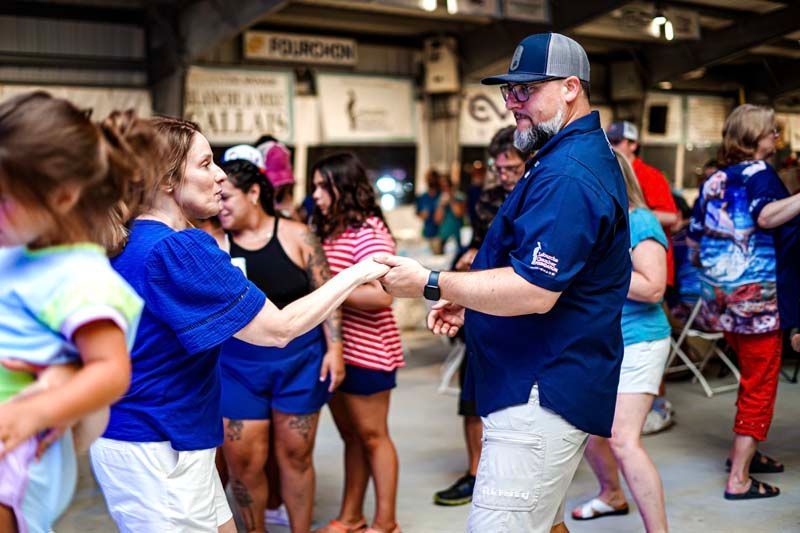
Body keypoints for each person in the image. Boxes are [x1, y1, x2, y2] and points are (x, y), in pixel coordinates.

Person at [376, 33, 631, 533]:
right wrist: (472, 302)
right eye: (508, 91)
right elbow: (538, 270)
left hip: (540, 390)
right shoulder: (562, 159)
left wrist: (433, 283)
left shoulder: (569, 176)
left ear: (570, 88)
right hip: (536, 381)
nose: (513, 103)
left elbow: (535, 291)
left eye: (527, 90)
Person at [88, 118, 389, 533]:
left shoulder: (134, 242)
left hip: (155, 439)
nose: (220, 176)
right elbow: (279, 329)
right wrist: (357, 272)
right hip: (156, 445)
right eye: (206, 163)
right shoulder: (179, 248)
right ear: (169, 179)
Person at [0, 92, 160, 532]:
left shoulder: (81, 278)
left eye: (4, 199)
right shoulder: (14, 249)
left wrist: (36, 411)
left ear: (65, 197)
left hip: (16, 446)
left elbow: (110, 372)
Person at [216, 158, 343, 533]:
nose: (219, 206)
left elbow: (326, 294)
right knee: (242, 460)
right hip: (238, 365)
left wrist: (335, 349)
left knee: (296, 456)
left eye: (227, 198)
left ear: (254, 193)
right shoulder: (212, 244)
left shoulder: (298, 235)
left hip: (300, 361)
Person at [689, 104, 799, 500]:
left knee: (750, 380)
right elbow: (767, 217)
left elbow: (696, 238)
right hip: (756, 307)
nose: (777, 138)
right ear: (754, 137)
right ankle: (738, 478)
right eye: (771, 131)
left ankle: (748, 455)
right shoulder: (760, 174)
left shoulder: (716, 179)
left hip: (721, 303)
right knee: (761, 387)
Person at [571, 150, 669, 532]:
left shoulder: (641, 221)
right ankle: (612, 494)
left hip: (640, 340)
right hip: (604, 341)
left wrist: (597, 271)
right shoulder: (600, 223)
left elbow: (654, 287)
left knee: (624, 441)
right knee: (590, 427)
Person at [434, 125, 528, 507]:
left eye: (512, 168)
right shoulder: (488, 198)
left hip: (522, 309)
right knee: (471, 391)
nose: (504, 175)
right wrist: (466, 259)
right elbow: (479, 242)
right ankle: (476, 472)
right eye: (499, 168)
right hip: (482, 307)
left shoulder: (540, 195)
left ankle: (514, 471)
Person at [310, 153, 403, 533]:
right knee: (352, 437)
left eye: (322, 186)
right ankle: (352, 516)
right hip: (338, 350)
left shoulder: (369, 231)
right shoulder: (332, 230)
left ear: (342, 186)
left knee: (373, 437)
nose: (315, 194)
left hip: (370, 350)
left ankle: (386, 522)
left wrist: (325, 288)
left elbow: (383, 296)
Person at [434, 174, 466, 254]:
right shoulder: (439, 198)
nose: (445, 189)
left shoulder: (460, 197)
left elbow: (458, 213)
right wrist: (441, 206)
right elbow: (437, 220)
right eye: (442, 187)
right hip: (443, 236)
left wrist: (451, 199)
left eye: (447, 186)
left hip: (457, 236)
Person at [416, 169, 442, 253]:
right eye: (429, 178)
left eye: (433, 178)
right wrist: (422, 215)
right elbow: (418, 212)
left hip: (441, 235)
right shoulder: (422, 197)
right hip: (427, 233)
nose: (431, 181)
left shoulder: (442, 195)